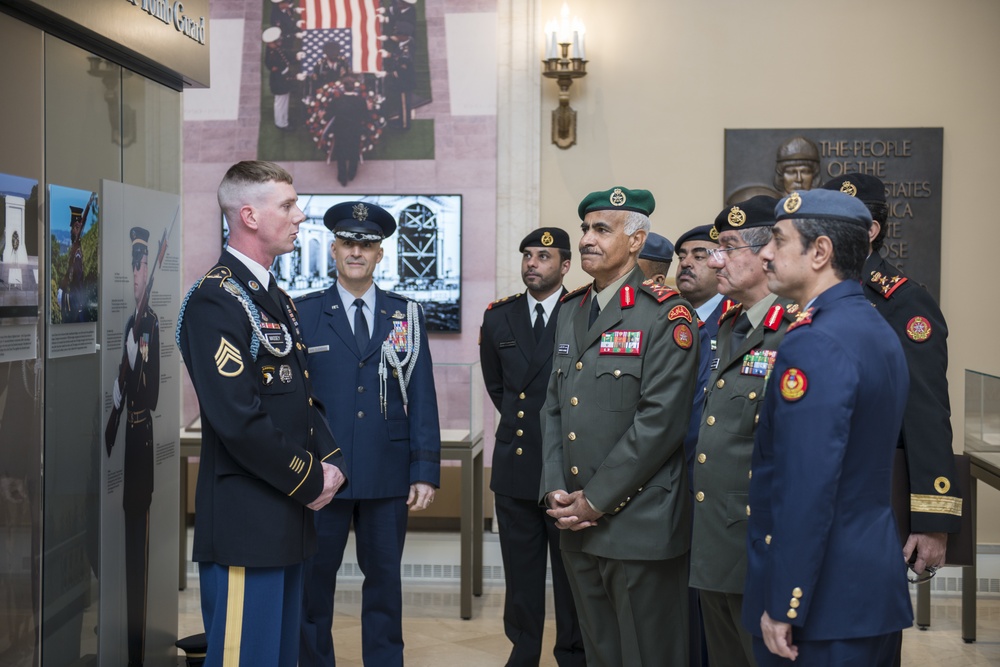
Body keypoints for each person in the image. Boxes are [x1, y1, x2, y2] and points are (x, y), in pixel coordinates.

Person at [177, 160, 348, 666]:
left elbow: (298, 398)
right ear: (249, 215)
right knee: (243, 658)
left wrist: (330, 464)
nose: (301, 216)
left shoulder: (274, 297)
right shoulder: (217, 299)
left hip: (285, 517)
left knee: (278, 657)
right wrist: (310, 477)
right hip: (246, 523)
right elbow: (239, 420)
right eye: (288, 206)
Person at [743, 189, 913, 665]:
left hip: (819, 607)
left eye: (778, 240)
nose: (766, 253)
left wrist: (785, 601)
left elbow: (807, 486)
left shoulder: (815, 342)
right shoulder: (872, 326)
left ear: (820, 252)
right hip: (866, 590)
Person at [540, 186, 698, 666]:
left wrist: (596, 500)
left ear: (636, 241)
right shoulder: (572, 309)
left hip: (638, 524)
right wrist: (554, 490)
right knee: (600, 651)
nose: (586, 238)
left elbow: (659, 424)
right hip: (575, 521)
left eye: (601, 229)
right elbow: (553, 409)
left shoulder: (665, 315)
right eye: (585, 227)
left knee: (648, 655)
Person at [296, 201, 441, 667]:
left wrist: (425, 471)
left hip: (387, 472)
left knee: (385, 585)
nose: (357, 251)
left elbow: (422, 396)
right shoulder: (304, 314)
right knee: (313, 587)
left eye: (368, 244)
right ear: (334, 249)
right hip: (322, 474)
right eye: (349, 243)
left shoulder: (407, 316)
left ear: (380, 254)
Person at [821, 174, 961, 571]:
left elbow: (925, 412)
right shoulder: (809, 295)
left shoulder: (903, 301)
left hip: (874, 497)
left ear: (871, 231)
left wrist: (934, 521)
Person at [689, 196, 794, 667]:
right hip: (715, 535)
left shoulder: (793, 328)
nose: (716, 261)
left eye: (728, 248)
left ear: (765, 251)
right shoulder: (729, 325)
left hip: (757, 537)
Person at [479, 227, 585, 667]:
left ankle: (572, 654)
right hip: (516, 464)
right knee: (520, 574)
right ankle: (522, 652)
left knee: (570, 576)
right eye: (527, 255)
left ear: (564, 266)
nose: (532, 263)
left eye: (543, 256)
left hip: (567, 467)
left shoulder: (581, 311)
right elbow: (498, 386)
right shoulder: (498, 316)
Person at [104, 226, 160, 667]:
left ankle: (139, 652)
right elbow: (118, 393)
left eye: (141, 266)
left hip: (141, 441)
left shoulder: (150, 324)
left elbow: (152, 392)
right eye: (134, 267)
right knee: (126, 532)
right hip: (125, 439)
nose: (137, 274)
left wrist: (137, 361)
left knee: (138, 538)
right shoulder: (131, 322)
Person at [330, 74, 370, 187]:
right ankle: (352, 174)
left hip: (340, 131)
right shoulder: (360, 101)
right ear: (354, 87)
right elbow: (366, 117)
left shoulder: (337, 101)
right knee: (354, 152)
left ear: (343, 87)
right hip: (355, 131)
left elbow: (329, 114)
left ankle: (342, 177)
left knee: (341, 154)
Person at [263, 27, 297, 130]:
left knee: (283, 102)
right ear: (270, 43)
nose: (279, 42)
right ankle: (281, 123)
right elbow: (279, 70)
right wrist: (293, 77)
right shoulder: (272, 56)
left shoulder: (275, 49)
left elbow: (284, 55)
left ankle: (284, 119)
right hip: (279, 82)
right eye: (276, 41)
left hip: (281, 80)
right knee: (280, 103)